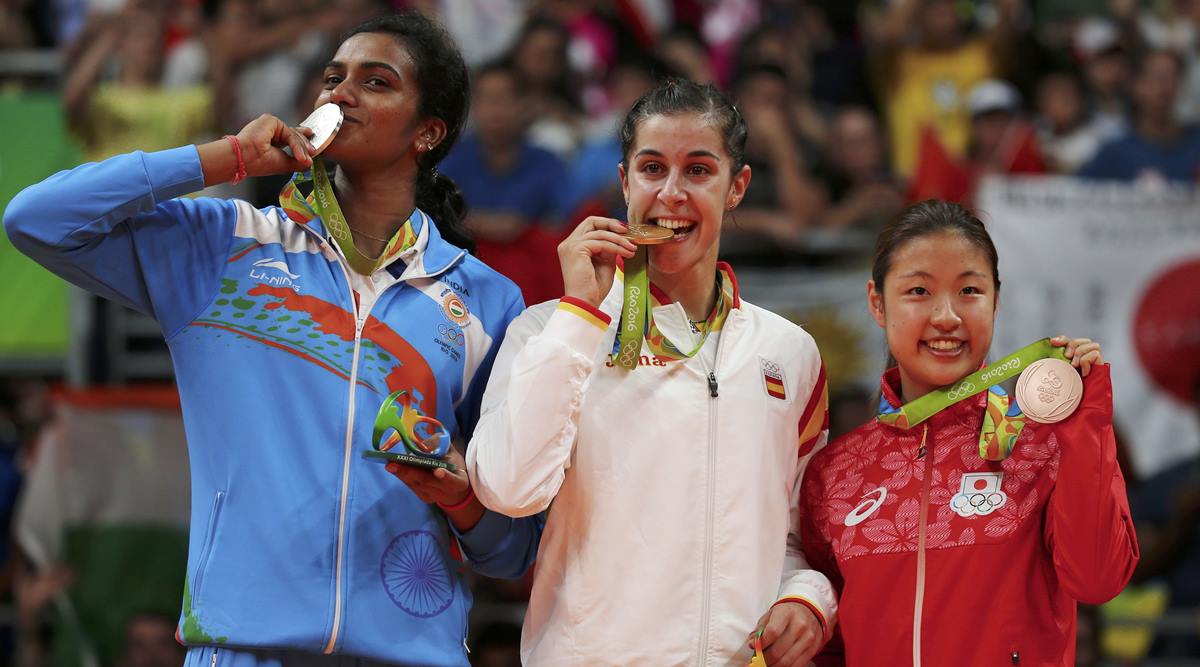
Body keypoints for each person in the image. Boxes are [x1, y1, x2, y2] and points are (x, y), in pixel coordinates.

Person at [5, 12, 541, 667]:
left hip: (410, 653)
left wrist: (457, 495)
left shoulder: (487, 303)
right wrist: (224, 156)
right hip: (242, 647)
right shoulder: (222, 247)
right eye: (332, 78)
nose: (341, 94)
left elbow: (511, 547)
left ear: (427, 132)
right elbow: (36, 219)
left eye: (376, 82)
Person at [466, 79, 836, 665]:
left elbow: (797, 535)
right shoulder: (547, 332)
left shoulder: (789, 354)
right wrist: (580, 317)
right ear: (624, 181)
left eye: (698, 171)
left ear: (736, 186)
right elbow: (507, 489)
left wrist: (807, 597)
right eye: (652, 168)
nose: (671, 193)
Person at [799, 200, 1140, 665]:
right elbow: (830, 644)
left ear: (996, 300)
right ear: (878, 303)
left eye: (969, 291)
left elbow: (1099, 580)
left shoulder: (1042, 443)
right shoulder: (833, 473)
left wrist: (1085, 423)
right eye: (918, 291)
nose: (946, 317)